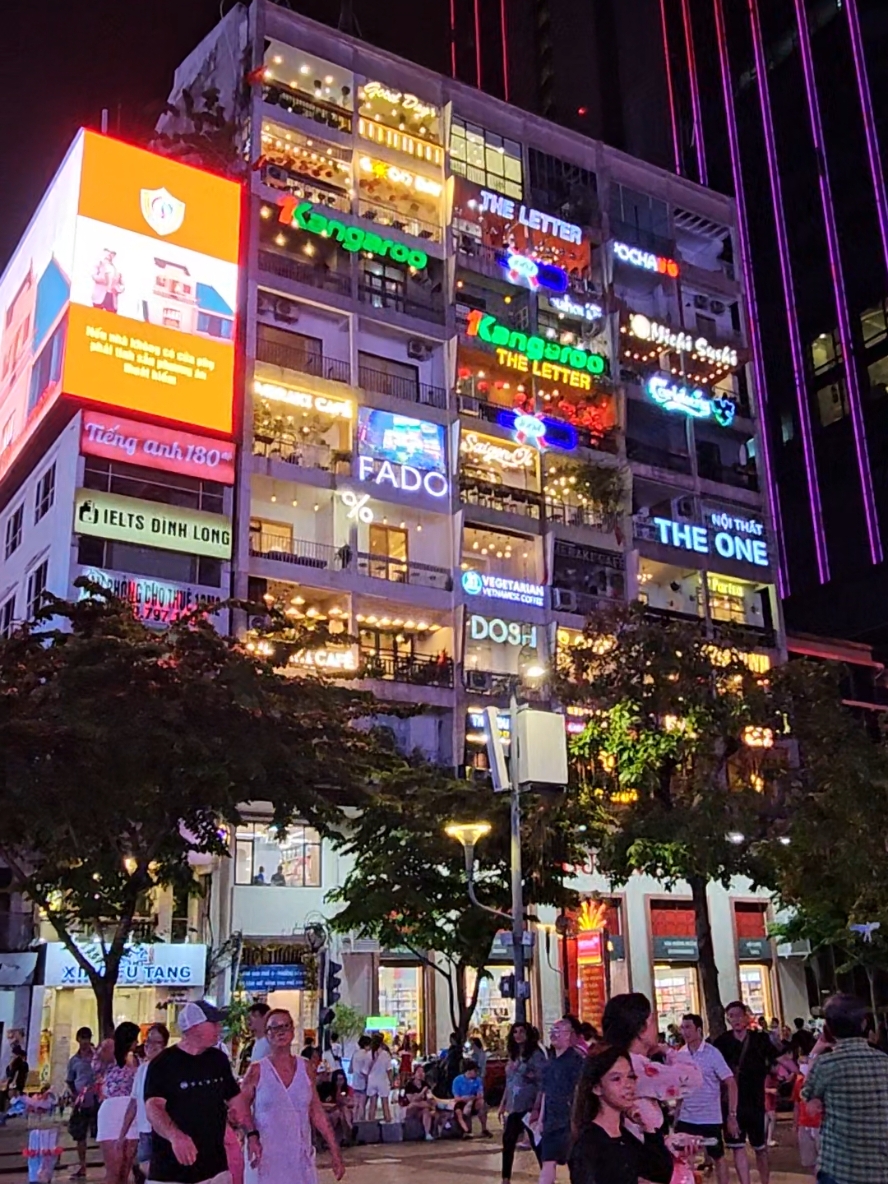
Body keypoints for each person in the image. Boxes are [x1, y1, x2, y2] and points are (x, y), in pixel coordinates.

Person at [234, 1007, 345, 1184]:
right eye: (274, 1028)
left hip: (299, 1156)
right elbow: (241, 1108)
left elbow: (316, 1111)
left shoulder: (306, 1068)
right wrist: (251, 1135)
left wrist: (335, 1151)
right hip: (266, 1156)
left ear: (292, 1031)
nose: (281, 1032)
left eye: (285, 1026)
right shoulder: (256, 1070)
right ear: (267, 1034)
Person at [145, 1000, 240, 1184]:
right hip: (172, 1173)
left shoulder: (218, 1059)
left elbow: (235, 1099)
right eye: (213, 1023)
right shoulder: (163, 1063)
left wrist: (249, 1129)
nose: (219, 1028)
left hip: (215, 1171)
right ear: (195, 1027)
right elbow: (153, 1107)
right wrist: (175, 1135)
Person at [801, 992, 888, 1184]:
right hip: (881, 1169)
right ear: (864, 1024)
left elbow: (807, 1094)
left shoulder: (826, 1064)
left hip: (839, 1168)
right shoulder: (884, 1061)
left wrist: (814, 1053)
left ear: (828, 1028)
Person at [568, 1046, 674, 1184]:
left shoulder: (625, 1137)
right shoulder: (589, 1144)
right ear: (597, 1088)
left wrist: (648, 1128)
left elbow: (661, 1173)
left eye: (631, 1077)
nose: (628, 1085)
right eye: (616, 1079)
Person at [601, 993, 702, 1133]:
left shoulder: (613, 1060)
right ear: (641, 1030)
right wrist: (667, 1051)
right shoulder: (637, 1066)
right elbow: (693, 1077)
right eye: (653, 1021)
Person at [713, 1000, 779, 1184]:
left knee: (760, 1148)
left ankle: (765, 1181)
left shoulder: (760, 1039)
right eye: (731, 1016)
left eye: (739, 1015)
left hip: (756, 1102)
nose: (735, 1020)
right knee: (737, 1147)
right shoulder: (722, 1042)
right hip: (733, 1105)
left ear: (746, 1017)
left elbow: (777, 1059)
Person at [673, 1014, 737, 1184]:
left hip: (710, 1117)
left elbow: (730, 1082)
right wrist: (676, 1114)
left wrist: (732, 1114)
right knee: (683, 1157)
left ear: (699, 1030)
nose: (685, 1032)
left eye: (688, 1027)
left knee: (718, 1156)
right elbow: (679, 1088)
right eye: (683, 1028)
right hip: (687, 1116)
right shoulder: (680, 1055)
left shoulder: (712, 1053)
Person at [530, 1017, 584, 1184]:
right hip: (551, 1122)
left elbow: (580, 1092)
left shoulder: (577, 1061)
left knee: (576, 1166)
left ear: (568, 1035)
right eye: (552, 1031)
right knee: (547, 1162)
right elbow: (546, 1093)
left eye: (558, 1031)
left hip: (569, 1122)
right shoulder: (550, 1063)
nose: (553, 1035)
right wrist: (540, 1120)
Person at [118, 1024, 170, 1179]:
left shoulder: (170, 1068)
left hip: (163, 1130)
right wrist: (122, 1134)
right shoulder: (142, 1069)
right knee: (146, 1168)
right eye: (148, 1041)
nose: (150, 1046)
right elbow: (134, 1103)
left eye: (156, 1042)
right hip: (145, 1130)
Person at [499, 1022, 547, 1184]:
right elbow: (509, 1082)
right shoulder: (513, 1055)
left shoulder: (535, 1055)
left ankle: (546, 1174)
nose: (518, 1035)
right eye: (515, 1032)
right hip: (514, 1104)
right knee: (508, 1140)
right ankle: (506, 1178)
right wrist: (503, 1103)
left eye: (521, 1032)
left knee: (536, 1142)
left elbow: (542, 1082)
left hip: (528, 1104)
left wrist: (537, 1107)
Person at [93, 1022, 140, 1184]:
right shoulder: (110, 1056)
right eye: (134, 1039)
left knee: (125, 1171)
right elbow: (96, 1064)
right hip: (112, 1111)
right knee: (114, 1171)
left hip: (132, 1111)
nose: (137, 1043)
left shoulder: (137, 1060)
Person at [67, 1027, 99, 1178]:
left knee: (101, 1133)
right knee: (80, 1135)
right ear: (78, 1039)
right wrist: (75, 1096)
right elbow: (70, 1080)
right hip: (81, 1101)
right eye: (82, 1038)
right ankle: (82, 1165)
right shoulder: (74, 1061)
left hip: (97, 1099)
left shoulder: (97, 1057)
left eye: (87, 1038)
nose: (85, 1041)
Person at [791, 1060, 820, 1176]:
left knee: (824, 1161)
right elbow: (796, 1104)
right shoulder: (799, 1082)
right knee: (809, 1161)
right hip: (804, 1124)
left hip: (820, 1125)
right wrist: (795, 1125)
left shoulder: (822, 1081)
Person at [316, 1068, 354, 1146]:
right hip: (324, 1110)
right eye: (323, 1074)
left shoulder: (341, 1088)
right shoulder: (319, 1088)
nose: (325, 1076)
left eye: (327, 1074)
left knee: (342, 1112)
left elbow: (348, 1102)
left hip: (336, 1109)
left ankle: (347, 1133)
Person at [451, 1062, 490, 1137]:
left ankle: (484, 1129)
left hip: (473, 1101)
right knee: (460, 1110)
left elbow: (480, 1095)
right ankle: (466, 1130)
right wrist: (466, 1100)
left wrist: (471, 1100)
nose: (476, 1073)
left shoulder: (478, 1080)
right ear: (469, 1071)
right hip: (461, 1102)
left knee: (482, 1103)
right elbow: (456, 1097)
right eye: (475, 1071)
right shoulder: (457, 1080)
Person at [399, 1064, 436, 1141]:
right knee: (414, 1105)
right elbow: (412, 1100)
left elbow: (429, 1097)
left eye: (422, 1072)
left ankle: (427, 1133)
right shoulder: (409, 1085)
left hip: (421, 1108)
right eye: (418, 1071)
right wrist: (422, 1093)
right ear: (414, 1074)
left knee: (426, 1110)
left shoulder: (425, 1084)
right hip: (411, 1109)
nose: (420, 1074)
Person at [365, 1034, 392, 1123]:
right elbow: (389, 1070)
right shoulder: (385, 1054)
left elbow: (365, 1071)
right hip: (382, 1081)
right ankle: (388, 1123)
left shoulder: (368, 1054)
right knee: (385, 1104)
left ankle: (371, 1124)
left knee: (372, 1105)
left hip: (372, 1081)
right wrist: (391, 1081)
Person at [350, 1036, 372, 1121]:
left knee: (356, 1104)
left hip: (355, 1081)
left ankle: (354, 1120)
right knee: (362, 1104)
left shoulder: (355, 1054)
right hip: (363, 1082)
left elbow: (350, 1069)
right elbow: (365, 1071)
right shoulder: (367, 1055)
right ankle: (361, 1121)